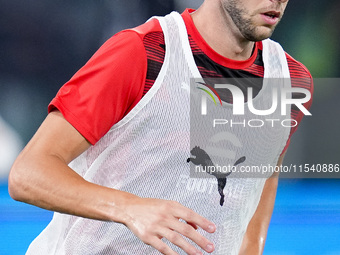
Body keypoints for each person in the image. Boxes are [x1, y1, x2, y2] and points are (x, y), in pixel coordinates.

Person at [9, 0, 313, 254]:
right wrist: (130, 208)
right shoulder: (141, 52)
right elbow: (28, 174)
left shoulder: (292, 82)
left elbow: (257, 188)